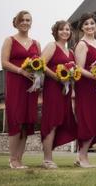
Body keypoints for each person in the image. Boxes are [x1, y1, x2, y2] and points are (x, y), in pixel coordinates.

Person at [1, 10, 41, 169]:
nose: (25, 22)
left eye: (28, 20)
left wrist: (38, 76)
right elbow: (4, 63)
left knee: (26, 122)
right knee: (16, 119)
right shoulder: (9, 40)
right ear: (17, 22)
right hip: (15, 84)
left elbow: (40, 64)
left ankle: (19, 159)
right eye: (22, 20)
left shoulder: (36, 43)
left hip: (31, 86)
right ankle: (12, 159)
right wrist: (21, 71)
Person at [40, 20, 78, 169]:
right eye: (62, 29)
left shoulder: (71, 52)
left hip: (66, 91)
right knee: (52, 121)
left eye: (67, 29)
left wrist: (71, 81)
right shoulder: (52, 46)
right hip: (53, 89)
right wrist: (56, 77)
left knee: (62, 120)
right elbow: (40, 64)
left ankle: (50, 156)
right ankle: (47, 159)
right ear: (56, 31)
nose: (65, 32)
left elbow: (74, 72)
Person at [74, 12, 96, 167]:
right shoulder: (82, 44)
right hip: (86, 88)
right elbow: (79, 69)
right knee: (87, 121)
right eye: (86, 24)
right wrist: (95, 76)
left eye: (92, 23)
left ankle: (81, 156)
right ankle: (82, 157)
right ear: (82, 27)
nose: (90, 26)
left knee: (95, 121)